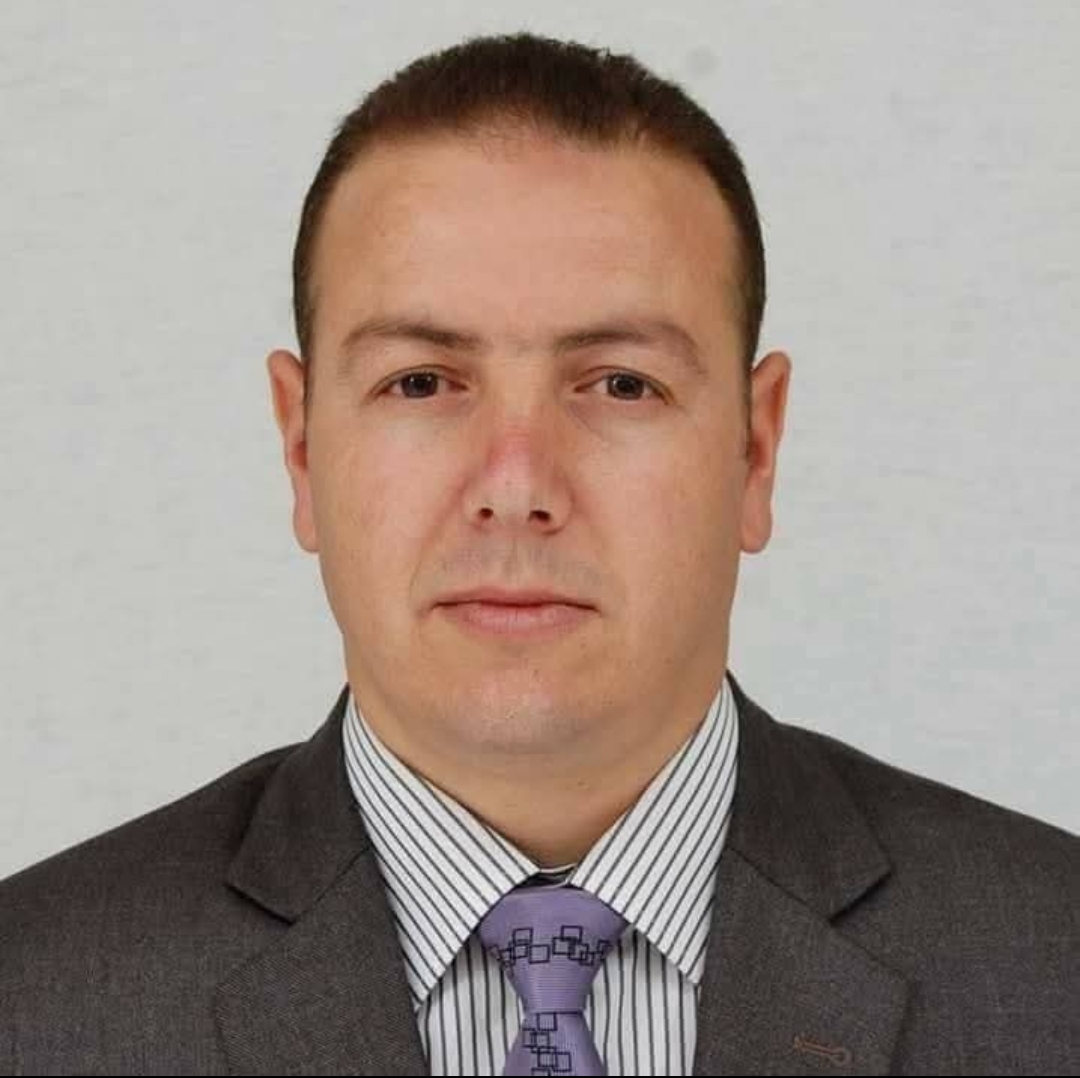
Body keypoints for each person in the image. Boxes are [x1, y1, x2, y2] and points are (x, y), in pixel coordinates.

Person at [1, 30, 1076, 1077]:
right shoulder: (34, 1001)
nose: (516, 485)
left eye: (621, 384)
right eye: (422, 382)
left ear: (756, 450)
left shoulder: (1052, 967)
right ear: (302, 448)